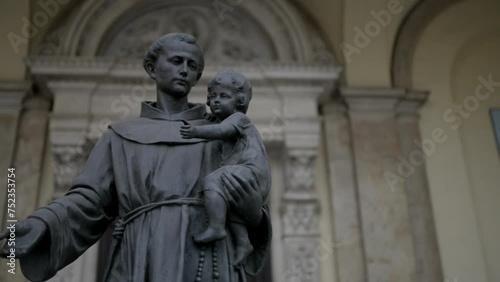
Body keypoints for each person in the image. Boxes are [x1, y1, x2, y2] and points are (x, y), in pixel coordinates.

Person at [0, 33, 271, 282]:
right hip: (140, 256)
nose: (185, 70)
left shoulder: (219, 131)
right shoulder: (120, 136)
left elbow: (250, 192)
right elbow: (88, 202)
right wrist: (42, 223)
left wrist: (254, 215)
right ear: (152, 68)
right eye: (177, 61)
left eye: (193, 66)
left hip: (208, 258)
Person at [180, 70, 271, 266]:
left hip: (251, 172)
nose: (216, 101)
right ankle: (243, 243)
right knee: (232, 209)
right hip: (251, 179)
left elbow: (222, 130)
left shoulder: (240, 119)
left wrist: (196, 131)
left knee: (212, 181)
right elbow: (222, 127)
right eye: (212, 97)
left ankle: (216, 227)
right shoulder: (229, 121)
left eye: (224, 96)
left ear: (240, 101)